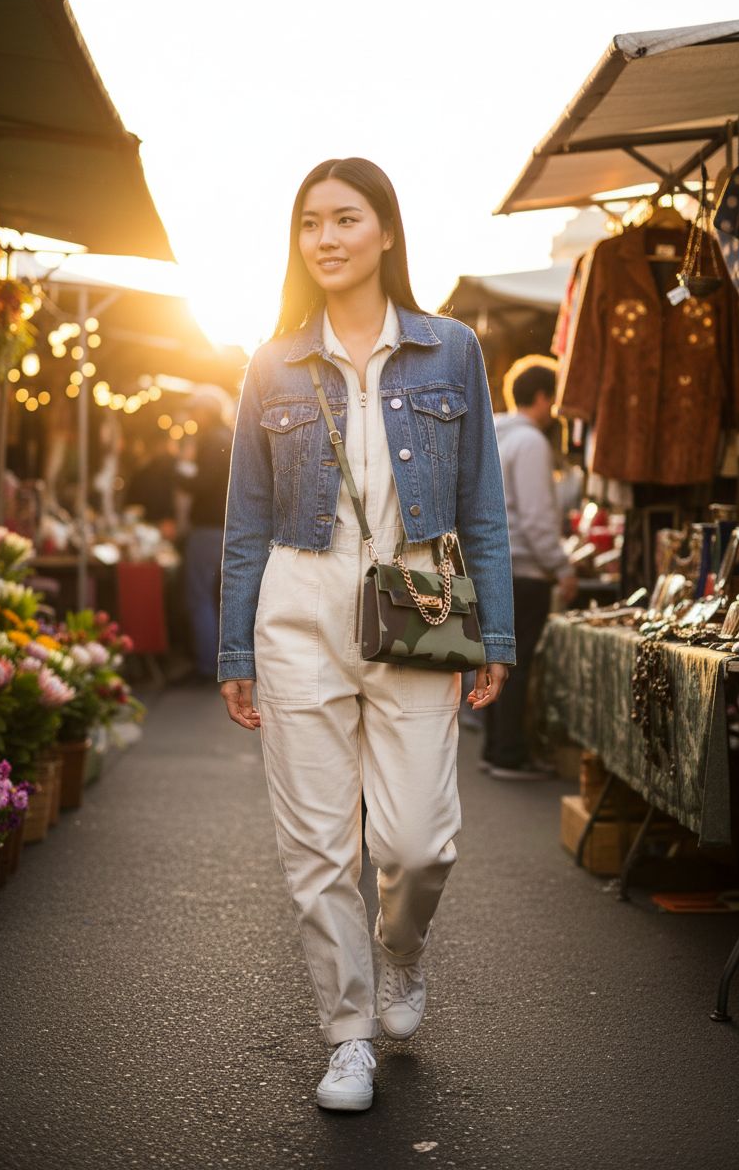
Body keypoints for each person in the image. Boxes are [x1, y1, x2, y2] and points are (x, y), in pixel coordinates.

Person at [218, 158, 515, 1113]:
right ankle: (346, 1036)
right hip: (298, 605)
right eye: (310, 224)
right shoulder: (271, 361)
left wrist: (496, 633)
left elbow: (483, 509)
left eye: (346, 219)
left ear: (386, 230)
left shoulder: (451, 348)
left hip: (419, 597)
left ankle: (402, 953)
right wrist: (236, 651)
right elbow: (246, 521)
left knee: (418, 842)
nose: (327, 239)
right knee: (315, 849)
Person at [481, 356, 577, 781]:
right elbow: (538, 518)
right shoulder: (532, 442)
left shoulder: (492, 436)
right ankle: (509, 754)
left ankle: (494, 749)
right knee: (516, 664)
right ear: (542, 398)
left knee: (493, 658)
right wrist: (562, 567)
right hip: (526, 569)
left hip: (493, 565)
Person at [177, 392, 233, 683]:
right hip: (222, 526)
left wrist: (178, 473)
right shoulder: (227, 437)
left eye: (195, 411)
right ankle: (215, 660)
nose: (191, 417)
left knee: (199, 595)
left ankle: (206, 665)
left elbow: (202, 482)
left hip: (209, 527)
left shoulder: (213, 441)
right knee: (213, 595)